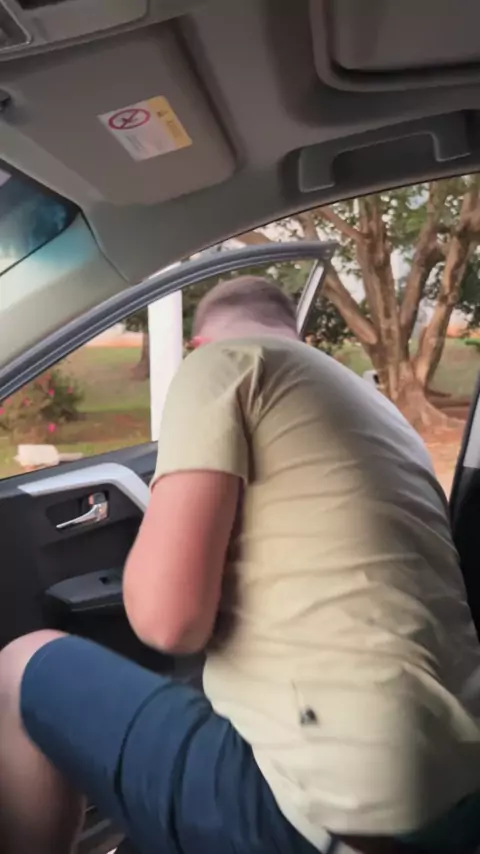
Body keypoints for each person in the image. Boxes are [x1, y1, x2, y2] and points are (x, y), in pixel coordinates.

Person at [1, 276, 480, 854]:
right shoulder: (378, 410)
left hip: (337, 810)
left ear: (198, 344)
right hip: (455, 796)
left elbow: (169, 624)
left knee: (18, 665)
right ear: (296, 335)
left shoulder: (223, 365)